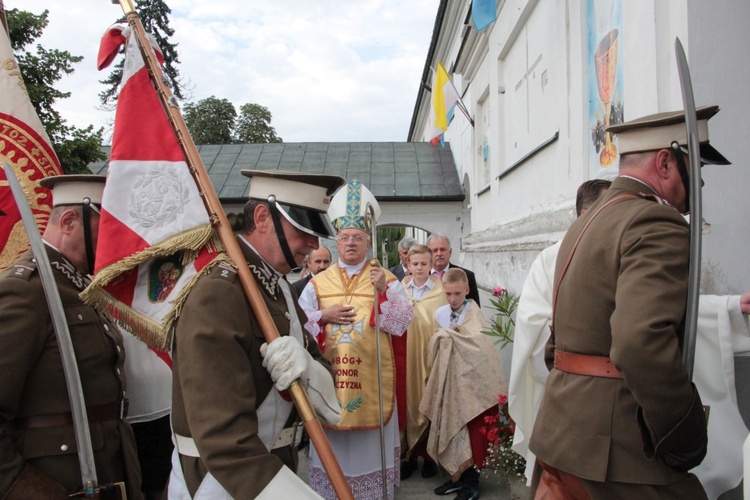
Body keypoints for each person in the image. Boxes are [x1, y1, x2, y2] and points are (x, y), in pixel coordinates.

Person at [529, 106, 731, 498]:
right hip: (616, 449)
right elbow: (640, 342)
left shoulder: (587, 222)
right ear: (666, 162)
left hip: (561, 432)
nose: (701, 183)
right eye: (697, 168)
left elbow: (559, 343)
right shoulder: (656, 223)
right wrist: (681, 428)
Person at [167, 170, 344, 498]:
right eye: (303, 229)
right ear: (263, 217)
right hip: (226, 483)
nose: (313, 244)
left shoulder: (278, 286)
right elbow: (224, 442)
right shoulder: (220, 291)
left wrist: (307, 367)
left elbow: (323, 373)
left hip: (272, 469)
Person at [0, 175, 141, 498]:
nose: (119, 241)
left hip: (106, 473)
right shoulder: (26, 290)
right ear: (68, 221)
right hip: (54, 480)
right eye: (108, 228)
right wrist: (29, 489)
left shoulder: (82, 286)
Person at [299, 179, 414, 499]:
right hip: (330, 380)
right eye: (345, 237)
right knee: (333, 457)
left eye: (358, 238)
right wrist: (323, 316)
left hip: (372, 383)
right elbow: (295, 326)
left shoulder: (386, 278)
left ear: (367, 241)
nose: (351, 243)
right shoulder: (318, 284)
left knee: (369, 463)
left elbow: (402, 324)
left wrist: (383, 291)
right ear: (337, 240)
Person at [509, 179, 611, 483]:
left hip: (616, 389)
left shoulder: (627, 250)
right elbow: (530, 319)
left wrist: (729, 307)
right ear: (582, 213)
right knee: (562, 477)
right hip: (566, 383)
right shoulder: (551, 258)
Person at [420, 268, 505, 500]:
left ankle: (472, 484)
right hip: (449, 383)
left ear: (467, 290)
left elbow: (479, 346)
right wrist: (443, 338)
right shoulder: (440, 313)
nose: (453, 299)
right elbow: (435, 344)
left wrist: (450, 336)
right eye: (448, 294)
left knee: (471, 432)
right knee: (451, 428)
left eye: (457, 293)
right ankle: (457, 475)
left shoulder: (474, 312)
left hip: (471, 386)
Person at [400, 244, 446, 480]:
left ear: (431, 265)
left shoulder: (441, 292)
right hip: (405, 356)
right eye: (414, 264)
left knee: (430, 402)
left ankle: (429, 457)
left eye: (423, 264)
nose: (419, 268)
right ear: (408, 265)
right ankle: (407, 456)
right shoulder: (400, 289)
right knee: (406, 403)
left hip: (429, 356)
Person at [427, 233, 480, 306]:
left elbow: (474, 309)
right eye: (435, 250)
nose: (439, 254)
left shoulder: (467, 276)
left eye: (442, 249)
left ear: (450, 252)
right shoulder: (420, 277)